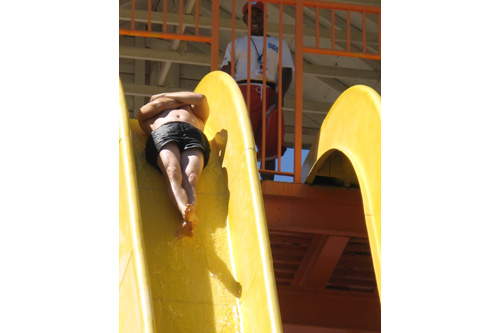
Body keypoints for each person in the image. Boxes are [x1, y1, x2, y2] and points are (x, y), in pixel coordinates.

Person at [221, 1, 294, 180]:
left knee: (270, 137)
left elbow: (286, 71)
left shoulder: (279, 43)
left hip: (269, 93)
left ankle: (267, 179)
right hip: (242, 92)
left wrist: (280, 95)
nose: (255, 18)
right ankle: (240, 179)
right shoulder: (236, 44)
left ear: (265, 17)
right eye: (251, 15)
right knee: (241, 136)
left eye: (259, 14)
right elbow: (226, 71)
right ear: (245, 18)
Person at [137, 91, 211, 238]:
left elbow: (201, 98)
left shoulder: (195, 111)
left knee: (191, 177)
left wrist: (163, 95)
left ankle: (190, 218)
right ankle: (185, 210)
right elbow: (158, 104)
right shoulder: (148, 114)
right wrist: (183, 102)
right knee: (172, 171)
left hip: (193, 133)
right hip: (164, 132)